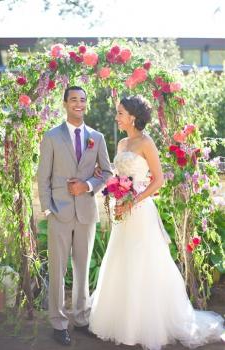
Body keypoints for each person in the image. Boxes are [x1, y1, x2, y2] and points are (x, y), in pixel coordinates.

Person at [89, 95, 224, 350]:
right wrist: (112, 186)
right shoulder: (121, 143)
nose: (117, 117)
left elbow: (158, 180)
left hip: (140, 212)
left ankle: (147, 324)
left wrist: (133, 200)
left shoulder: (146, 142)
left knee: (144, 263)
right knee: (122, 260)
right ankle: (122, 321)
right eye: (117, 113)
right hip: (123, 213)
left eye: (120, 113)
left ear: (132, 117)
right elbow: (120, 176)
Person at [37, 86, 112, 346]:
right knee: (58, 270)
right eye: (73, 100)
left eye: (82, 100)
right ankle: (58, 323)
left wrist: (87, 185)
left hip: (86, 213)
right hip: (59, 212)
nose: (78, 104)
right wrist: (48, 209)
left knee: (82, 270)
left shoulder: (97, 137)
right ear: (65, 103)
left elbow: (107, 172)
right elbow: (42, 176)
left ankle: (81, 319)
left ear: (86, 104)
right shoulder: (52, 136)